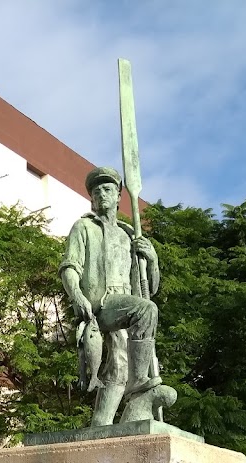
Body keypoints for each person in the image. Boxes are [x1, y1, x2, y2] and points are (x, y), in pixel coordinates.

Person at [60, 166, 174, 425]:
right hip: (101, 304)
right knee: (146, 310)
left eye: (107, 189)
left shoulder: (129, 235)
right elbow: (70, 267)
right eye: (96, 190)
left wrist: (152, 259)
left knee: (119, 366)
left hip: (126, 306)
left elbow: (149, 289)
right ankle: (140, 382)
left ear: (118, 196)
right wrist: (77, 295)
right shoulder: (84, 227)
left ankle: (100, 424)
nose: (101, 193)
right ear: (91, 198)